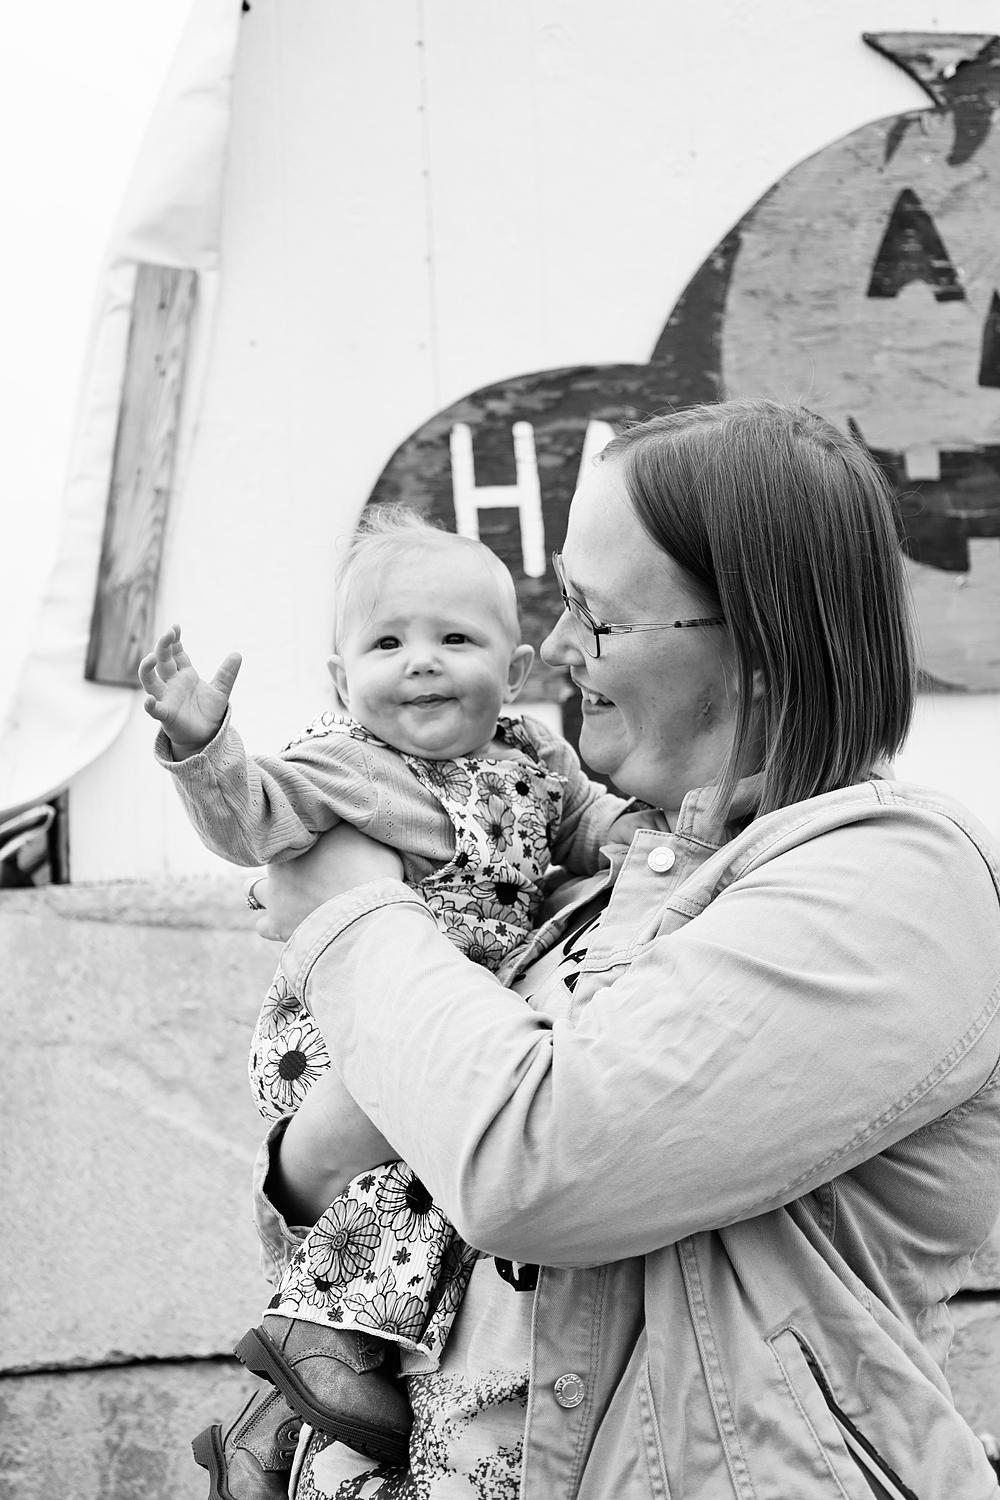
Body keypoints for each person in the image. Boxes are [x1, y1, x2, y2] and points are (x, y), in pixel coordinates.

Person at [240, 399, 1000, 1499]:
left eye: (595, 617)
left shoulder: (894, 881)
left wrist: (353, 913)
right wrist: (311, 1162)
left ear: (758, 646)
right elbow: (362, 1182)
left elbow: (534, 1169)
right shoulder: (603, 884)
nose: (552, 650)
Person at [136, 508, 630, 1492]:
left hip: (453, 1016)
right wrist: (204, 742)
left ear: (515, 668)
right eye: (388, 643)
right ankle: (317, 1346)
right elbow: (254, 817)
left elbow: (590, 828)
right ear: (340, 679)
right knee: (392, 1191)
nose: (422, 662)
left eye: (455, 639)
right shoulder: (350, 766)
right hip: (348, 1023)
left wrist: (662, 834)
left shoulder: (534, 759)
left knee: (441, 1202)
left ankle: (287, 1418)